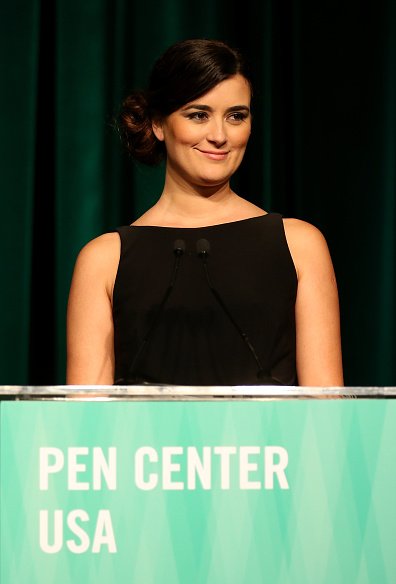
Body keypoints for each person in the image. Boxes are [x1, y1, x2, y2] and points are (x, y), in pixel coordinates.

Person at [67, 39, 343, 387]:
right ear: (157, 124)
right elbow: (84, 425)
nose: (219, 136)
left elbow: (328, 417)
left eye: (236, 116)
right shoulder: (103, 260)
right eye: (198, 115)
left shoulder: (300, 245)